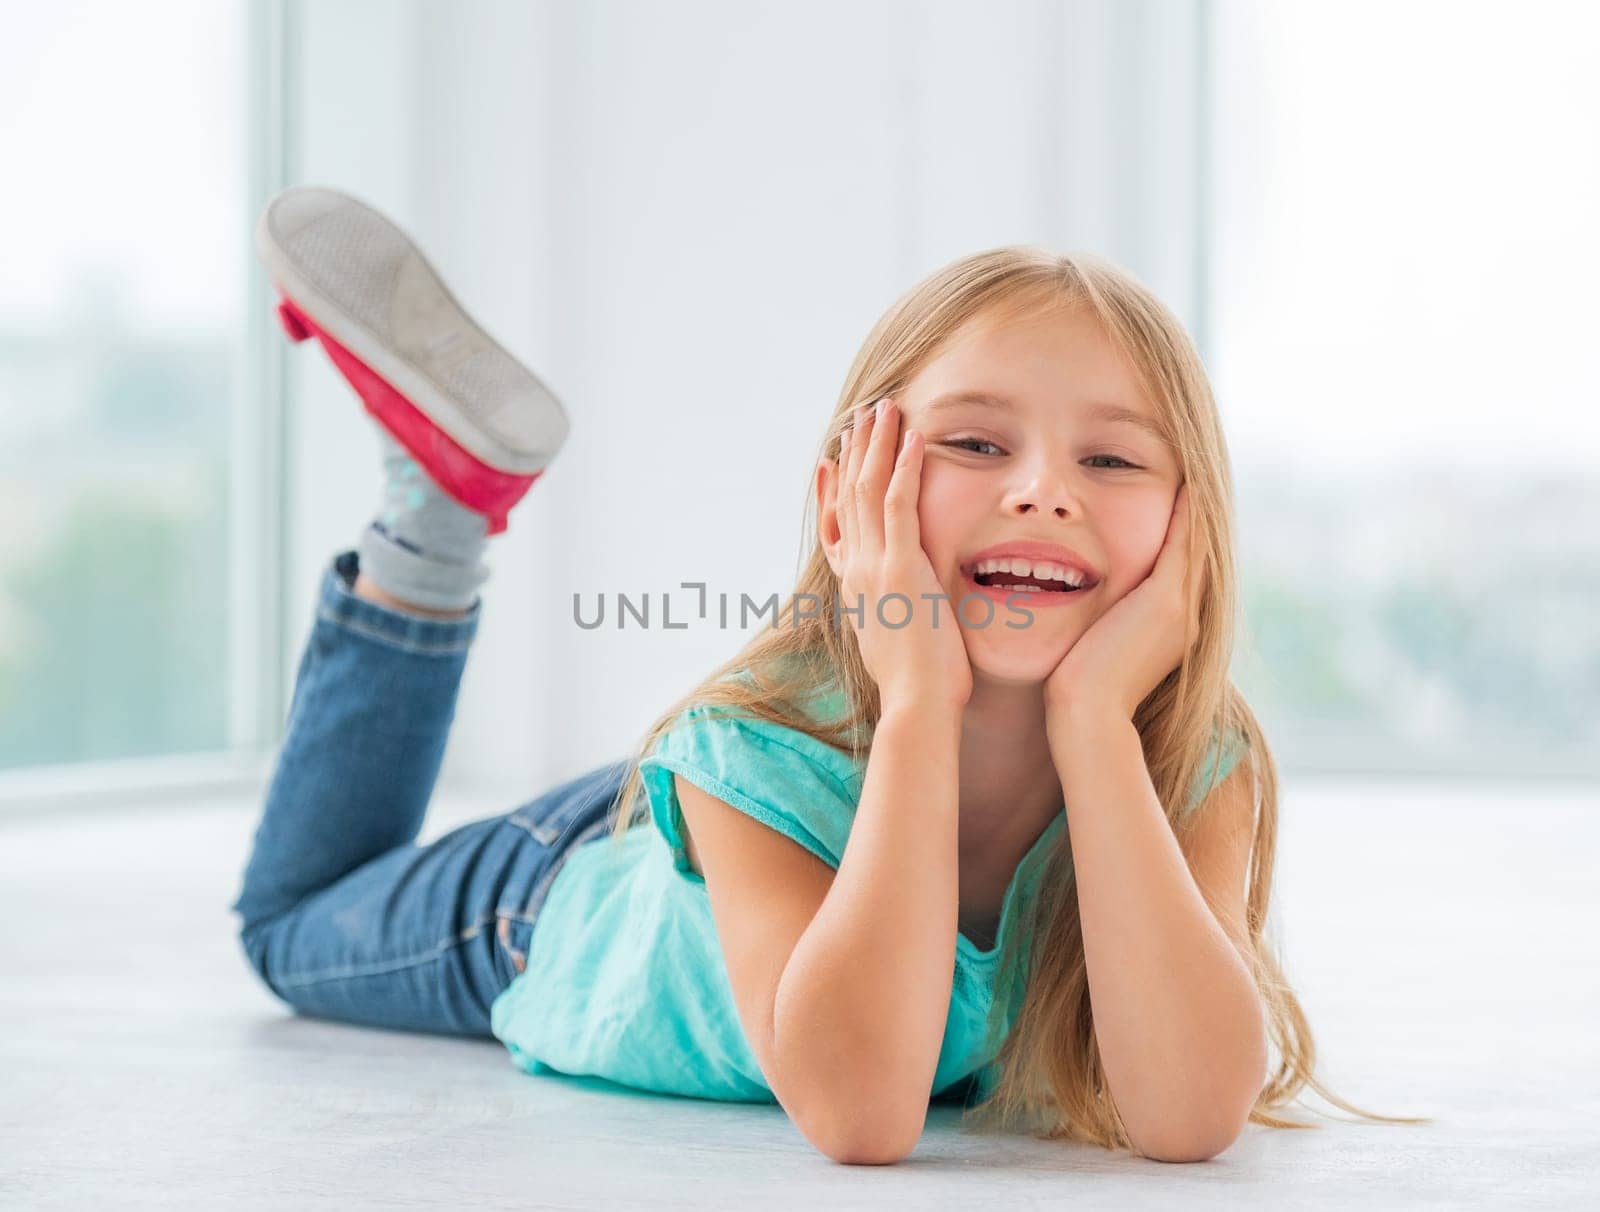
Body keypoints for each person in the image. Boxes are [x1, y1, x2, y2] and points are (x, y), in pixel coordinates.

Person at [231, 186, 1422, 1166]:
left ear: (1192, 528)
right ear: (851, 497)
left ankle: (440, 504)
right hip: (573, 893)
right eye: (974, 443)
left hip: (797, 769)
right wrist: (917, 702)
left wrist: (1097, 728)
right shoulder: (743, 752)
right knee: (291, 928)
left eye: (1110, 458)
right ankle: (434, 529)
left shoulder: (1188, 761)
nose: (1044, 490)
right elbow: (860, 1116)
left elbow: (1185, 1118)